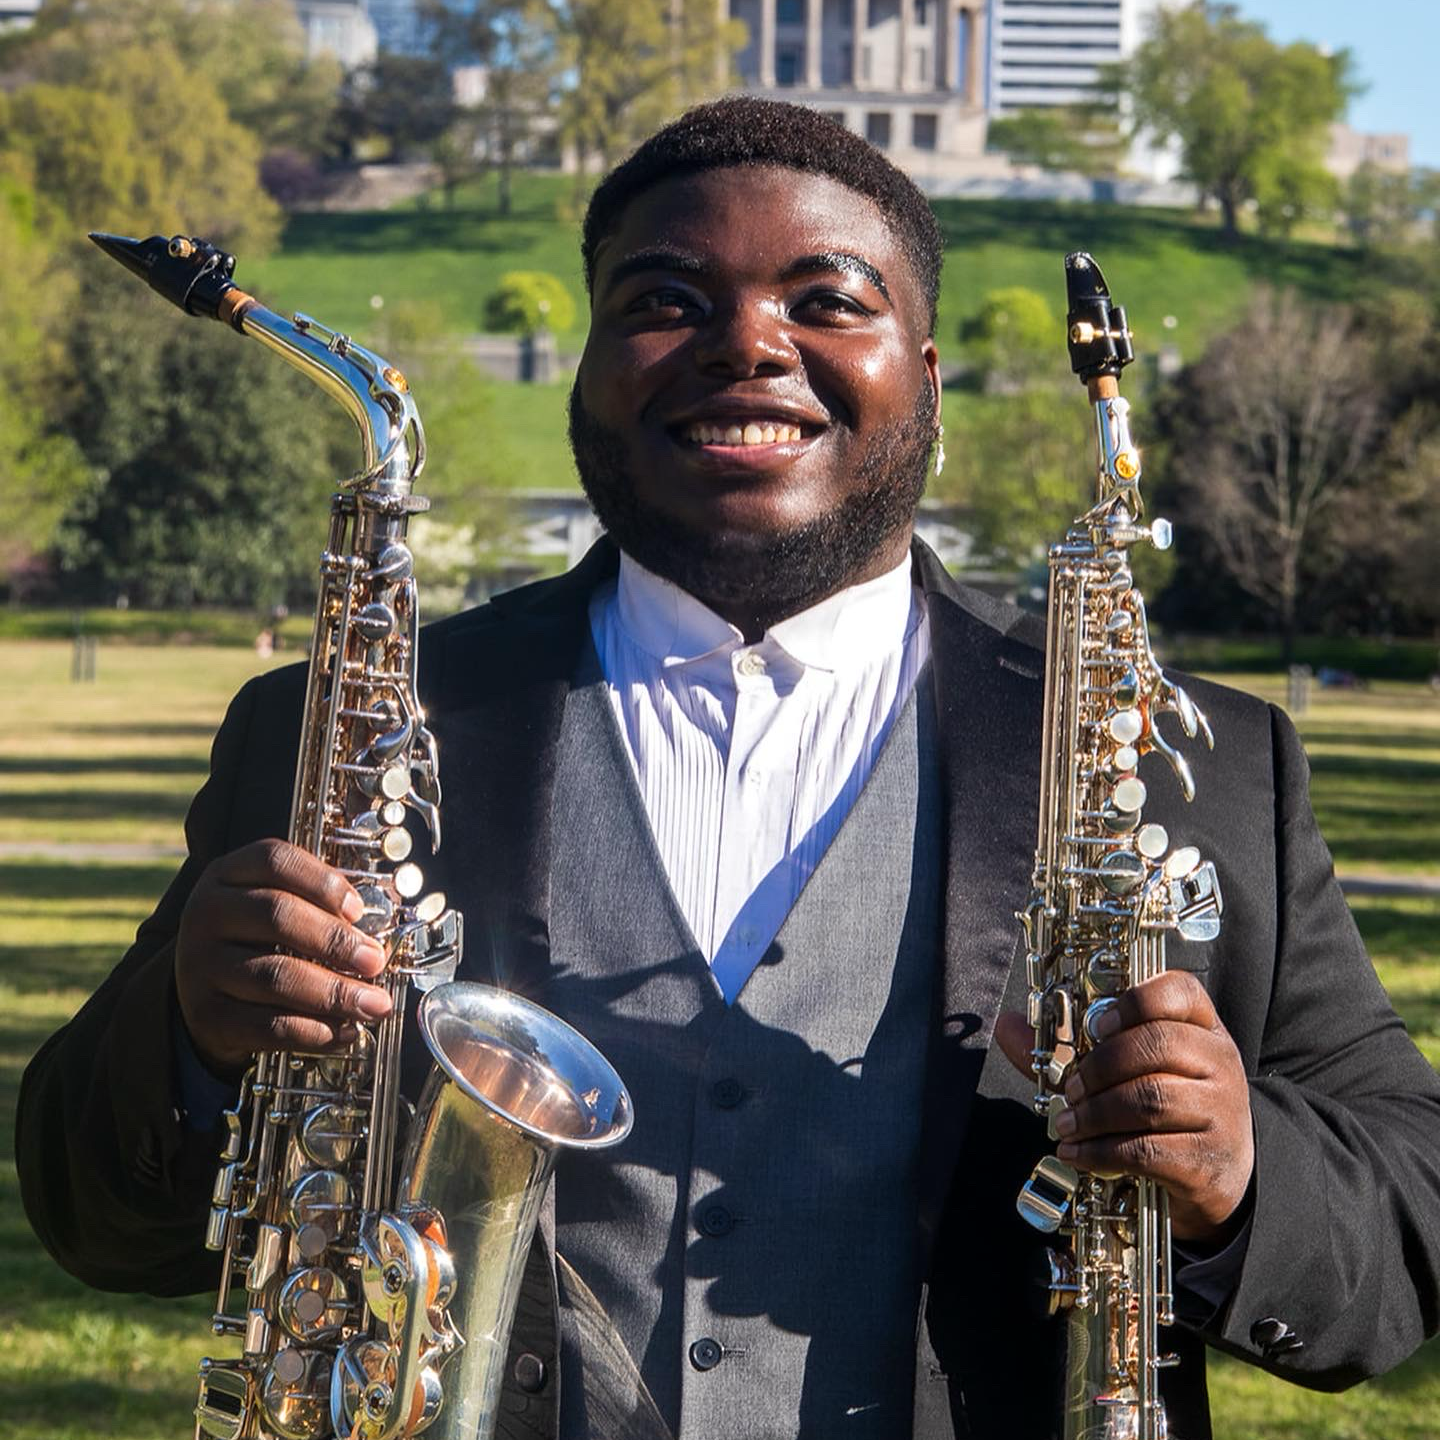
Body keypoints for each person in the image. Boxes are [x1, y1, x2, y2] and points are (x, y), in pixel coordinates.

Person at [17, 97, 1440, 1440]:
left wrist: (1242, 1178)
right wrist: (192, 1038)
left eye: (827, 300)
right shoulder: (325, 724)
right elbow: (92, 1211)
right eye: (665, 302)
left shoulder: (1206, 765)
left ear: (927, 380)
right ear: (589, 365)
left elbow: (1409, 1212)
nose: (746, 345)